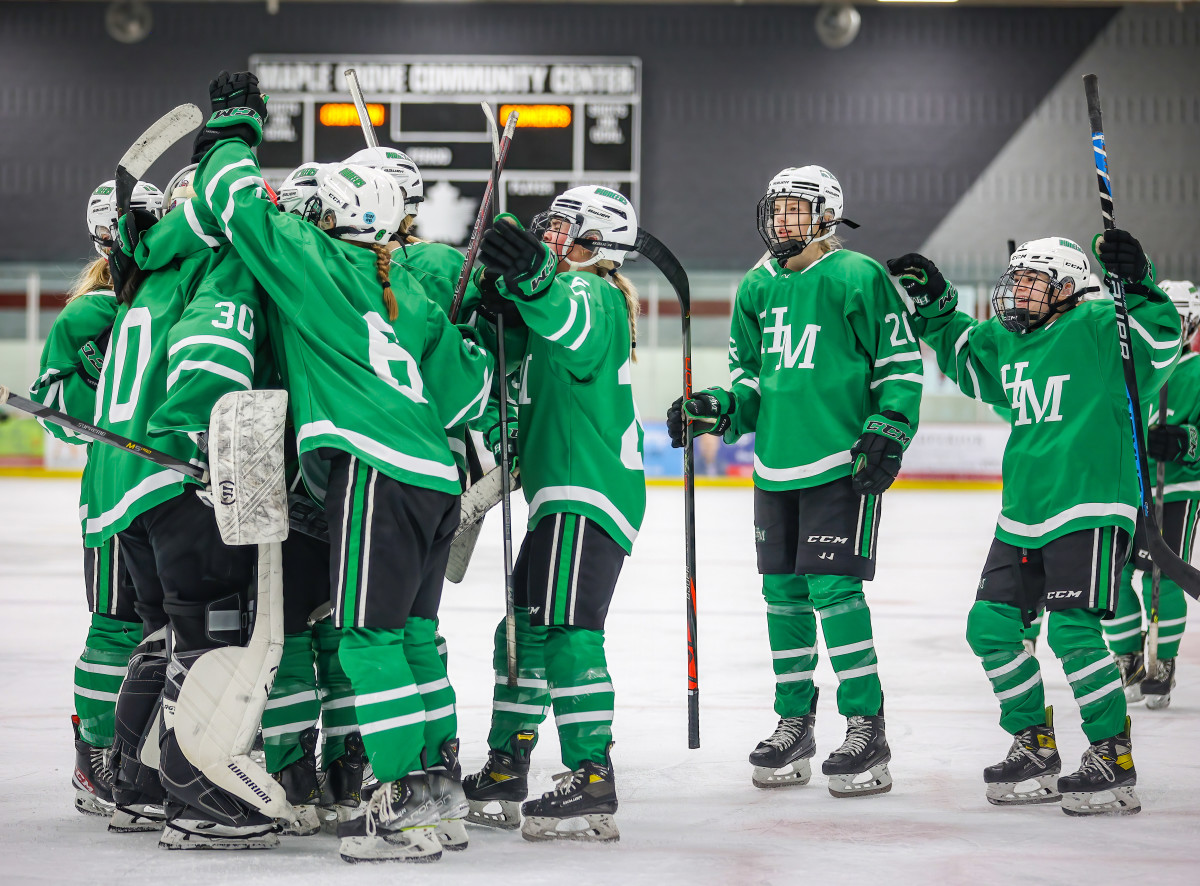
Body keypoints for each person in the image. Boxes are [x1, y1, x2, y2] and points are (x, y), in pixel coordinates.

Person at [189, 70, 495, 864]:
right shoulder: (412, 297)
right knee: (412, 639)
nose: (307, 209)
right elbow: (468, 395)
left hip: (373, 471)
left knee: (364, 639)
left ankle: (399, 810)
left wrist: (232, 131)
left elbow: (233, 201)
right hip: (437, 481)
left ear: (344, 211)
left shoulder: (312, 261)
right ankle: (437, 797)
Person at [888, 231, 1179, 815]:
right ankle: (1034, 745)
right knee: (990, 628)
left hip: (1091, 502)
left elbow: (1160, 342)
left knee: (1072, 632)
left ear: (1070, 289)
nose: (1017, 292)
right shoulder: (1009, 339)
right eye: (1014, 281)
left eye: (1032, 282)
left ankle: (1111, 754)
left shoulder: (1101, 324)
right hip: (1023, 513)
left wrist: (1139, 280)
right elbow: (969, 361)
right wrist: (940, 304)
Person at [668, 166, 922, 797]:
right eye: (775, 208)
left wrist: (888, 428)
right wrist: (719, 407)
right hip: (775, 467)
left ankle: (866, 726)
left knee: (835, 597)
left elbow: (900, 362)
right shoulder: (756, 285)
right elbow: (751, 378)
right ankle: (795, 722)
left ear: (827, 215)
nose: (781, 219)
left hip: (840, 464)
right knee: (782, 599)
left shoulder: (858, 277)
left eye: (795, 208)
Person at [86, 164, 278, 846]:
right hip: (176, 473)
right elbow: (210, 358)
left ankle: (134, 788)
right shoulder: (218, 262)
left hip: (122, 484)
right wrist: (203, 448)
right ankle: (195, 796)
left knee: (163, 636)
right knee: (210, 637)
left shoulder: (151, 272)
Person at [461, 185, 645, 843]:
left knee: (569, 630)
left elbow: (565, 317)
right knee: (520, 634)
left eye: (564, 227)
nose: (550, 237)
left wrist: (531, 281)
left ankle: (592, 773)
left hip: (584, 491)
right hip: (554, 497)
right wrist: (490, 311)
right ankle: (508, 763)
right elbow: (507, 398)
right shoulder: (547, 307)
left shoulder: (594, 295)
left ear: (598, 240)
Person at [27, 179, 161, 818]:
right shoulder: (88, 313)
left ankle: (155, 755)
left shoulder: (173, 300)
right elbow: (54, 413)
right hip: (114, 494)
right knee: (117, 624)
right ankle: (98, 754)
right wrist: (91, 380)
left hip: (181, 490)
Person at [1105, 278, 1200, 709]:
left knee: (1165, 573)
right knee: (1115, 574)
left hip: (1175, 487)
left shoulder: (1196, 372)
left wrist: (1186, 439)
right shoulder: (1126, 368)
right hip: (1124, 486)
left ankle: (1163, 660)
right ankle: (1127, 656)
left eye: (1181, 319)